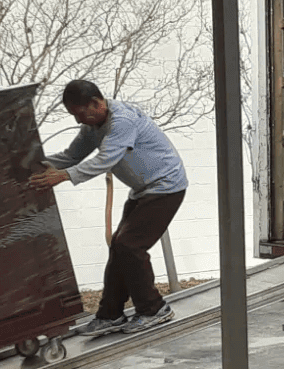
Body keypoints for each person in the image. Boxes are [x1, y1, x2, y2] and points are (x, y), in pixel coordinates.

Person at [31, 80, 186, 336]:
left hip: (166, 186)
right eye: (74, 116)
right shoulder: (93, 125)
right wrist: (36, 165)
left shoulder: (121, 121)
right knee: (119, 246)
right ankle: (110, 314)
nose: (79, 121)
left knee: (130, 245)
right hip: (144, 190)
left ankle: (154, 309)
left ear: (96, 103)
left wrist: (63, 176)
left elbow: (105, 160)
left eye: (80, 114)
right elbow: (71, 156)